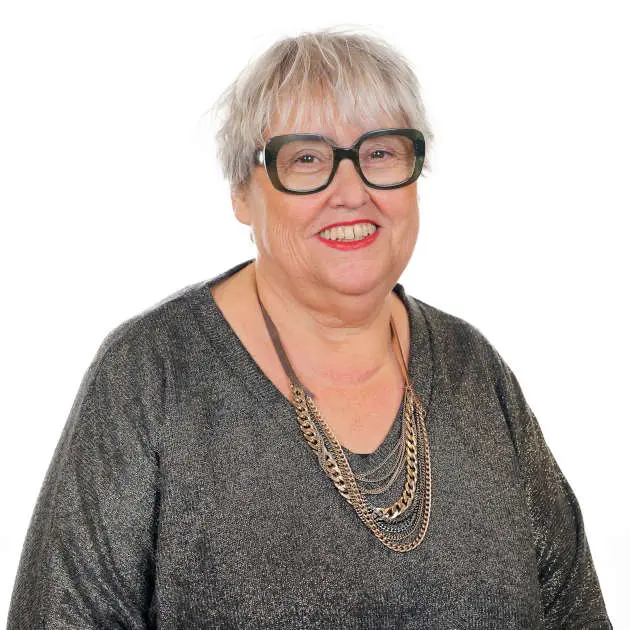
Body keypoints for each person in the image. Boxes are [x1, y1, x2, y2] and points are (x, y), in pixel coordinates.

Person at [8, 29, 612, 630]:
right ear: (241, 193)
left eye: (380, 153)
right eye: (306, 158)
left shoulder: (474, 370)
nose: (351, 193)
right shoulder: (152, 374)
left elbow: (575, 613)